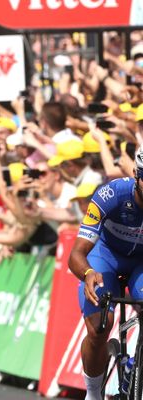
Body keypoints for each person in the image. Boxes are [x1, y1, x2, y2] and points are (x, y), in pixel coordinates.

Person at [68, 146, 143, 400]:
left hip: (140, 263)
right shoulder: (111, 194)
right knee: (100, 327)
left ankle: (137, 363)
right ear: (136, 176)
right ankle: (92, 394)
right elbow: (76, 254)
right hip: (106, 258)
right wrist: (88, 272)